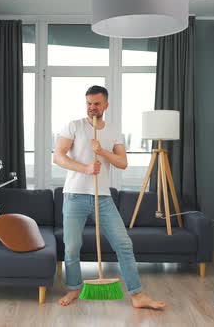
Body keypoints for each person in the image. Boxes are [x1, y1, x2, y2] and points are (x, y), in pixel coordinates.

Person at [53, 85, 167, 310]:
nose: (91, 107)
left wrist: (103, 151)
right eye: (88, 103)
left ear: (105, 105)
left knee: (124, 243)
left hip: (102, 198)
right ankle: (74, 288)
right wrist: (85, 168)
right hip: (75, 196)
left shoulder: (113, 130)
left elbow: (123, 163)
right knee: (72, 246)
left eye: (96, 103)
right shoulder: (74, 126)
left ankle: (137, 295)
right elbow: (58, 156)